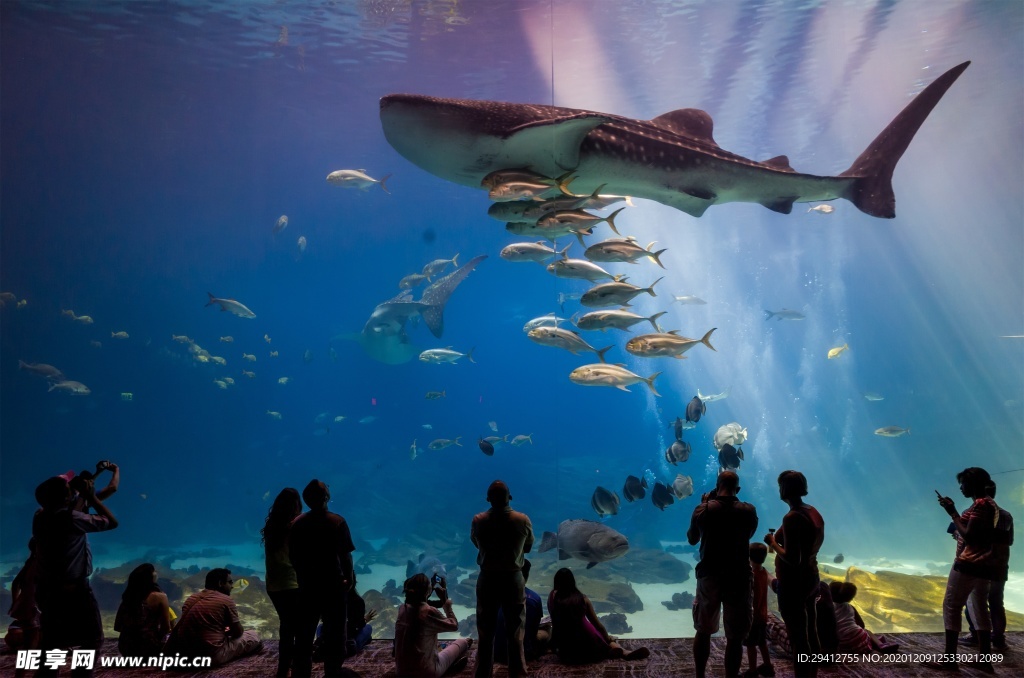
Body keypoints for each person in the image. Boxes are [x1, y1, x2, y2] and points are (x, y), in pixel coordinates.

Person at [32, 471, 118, 675]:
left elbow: (69, 506)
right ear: (66, 497)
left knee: (52, 642)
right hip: (74, 592)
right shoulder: (71, 519)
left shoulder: (40, 515)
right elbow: (111, 522)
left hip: (48, 592)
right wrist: (90, 495)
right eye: (70, 488)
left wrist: (81, 491)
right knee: (92, 640)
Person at [686, 470, 758, 678]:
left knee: (704, 629)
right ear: (738, 489)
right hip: (739, 576)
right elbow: (749, 534)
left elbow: (692, 539)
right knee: (735, 637)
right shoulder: (748, 510)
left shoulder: (704, 510)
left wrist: (703, 506)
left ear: (716, 487)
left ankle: (700, 675)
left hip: (710, 575)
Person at [931, 467, 999, 672]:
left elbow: (970, 536)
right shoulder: (990, 504)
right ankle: (984, 660)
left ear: (974, 484)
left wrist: (952, 512)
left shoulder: (981, 505)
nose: (960, 487)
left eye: (963, 483)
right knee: (979, 609)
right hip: (984, 564)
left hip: (968, 563)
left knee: (951, 606)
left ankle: (949, 660)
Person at [289, 479, 356, 677]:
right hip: (333, 585)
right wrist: (349, 577)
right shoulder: (337, 521)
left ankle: (301, 673)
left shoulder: (297, 522)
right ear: (327, 497)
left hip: (307, 586)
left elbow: (292, 555)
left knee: (304, 634)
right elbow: (346, 555)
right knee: (335, 634)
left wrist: (302, 574)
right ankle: (332, 672)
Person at [470, 480, 534, 678]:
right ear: (510, 497)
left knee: (485, 631)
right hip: (513, 578)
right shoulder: (522, 520)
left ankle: (483, 673)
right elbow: (528, 547)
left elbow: (476, 544)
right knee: (515, 631)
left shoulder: (478, 520)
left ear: (488, 499)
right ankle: (518, 672)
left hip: (487, 578)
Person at [764, 470, 824, 678]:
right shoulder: (813, 511)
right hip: (811, 578)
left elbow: (792, 558)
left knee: (798, 638)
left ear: (785, 489)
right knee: (811, 632)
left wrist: (772, 543)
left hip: (793, 585)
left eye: (781, 485)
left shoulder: (791, 517)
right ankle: (812, 673)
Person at [547, 567, 649, 664]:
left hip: (566, 650)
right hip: (589, 643)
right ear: (573, 582)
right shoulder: (582, 599)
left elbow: (555, 621)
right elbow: (597, 625)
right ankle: (623, 652)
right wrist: (607, 638)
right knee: (602, 639)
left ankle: (610, 651)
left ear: (556, 582)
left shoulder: (552, 598)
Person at [164, 568, 262, 666]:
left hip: (186, 654)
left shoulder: (191, 598)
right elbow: (238, 632)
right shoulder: (226, 600)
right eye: (230, 582)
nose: (232, 586)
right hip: (211, 656)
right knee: (253, 635)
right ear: (220, 583)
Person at [960, 479, 1014, 652]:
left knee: (974, 602)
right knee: (997, 602)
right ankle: (999, 639)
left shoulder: (970, 512)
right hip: (1000, 564)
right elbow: (1010, 541)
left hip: (980, 565)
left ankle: (976, 635)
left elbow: (968, 538)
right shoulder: (1006, 515)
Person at [394, 573, 473, 677]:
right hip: (427, 673)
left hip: (401, 673)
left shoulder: (402, 608)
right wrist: (446, 602)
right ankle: (447, 669)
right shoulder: (429, 612)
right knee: (462, 642)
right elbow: (454, 625)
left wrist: (428, 590)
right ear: (428, 590)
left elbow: (419, 601)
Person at [261, 487, 302, 677]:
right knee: (297, 628)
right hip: (292, 583)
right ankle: (294, 667)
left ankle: (284, 668)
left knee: (286, 626)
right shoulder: (295, 526)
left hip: (274, 585)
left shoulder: (271, 527)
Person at [493, 559, 548, 664]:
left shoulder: (496, 595)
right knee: (547, 631)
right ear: (527, 575)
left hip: (497, 653)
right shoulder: (534, 598)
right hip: (523, 655)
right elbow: (533, 631)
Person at [114, 563, 172, 657]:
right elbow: (166, 628)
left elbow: (117, 626)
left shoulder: (128, 597)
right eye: (153, 571)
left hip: (126, 648)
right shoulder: (161, 597)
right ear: (149, 577)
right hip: (149, 648)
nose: (156, 572)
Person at [828, 582, 897, 654]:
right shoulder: (851, 607)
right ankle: (880, 644)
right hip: (860, 637)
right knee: (866, 631)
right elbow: (861, 625)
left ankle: (872, 643)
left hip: (844, 644)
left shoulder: (829, 608)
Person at [743, 542, 775, 678]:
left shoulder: (751, 575)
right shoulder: (764, 572)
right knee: (762, 642)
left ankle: (752, 671)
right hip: (762, 615)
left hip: (752, 617)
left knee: (751, 645)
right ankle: (768, 666)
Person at [5, 539, 41, 656]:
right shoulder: (43, 563)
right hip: (34, 611)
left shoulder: (30, 562)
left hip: (27, 611)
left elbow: (16, 584)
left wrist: (16, 604)